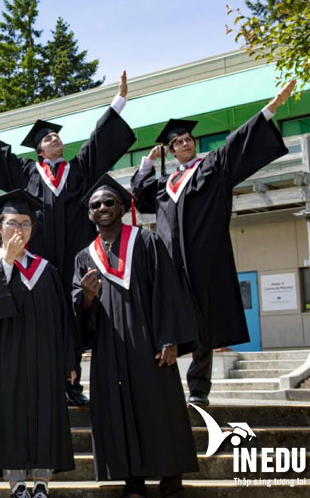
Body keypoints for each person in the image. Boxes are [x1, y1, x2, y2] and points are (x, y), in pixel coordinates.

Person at [0, 72, 134, 406]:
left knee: (70, 319)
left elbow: (97, 142)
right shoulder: (27, 173)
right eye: (49, 137)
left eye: (57, 136)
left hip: (71, 257)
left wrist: (118, 103)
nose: (55, 139)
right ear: (39, 148)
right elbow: (0, 153)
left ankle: (72, 384)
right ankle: (30, 381)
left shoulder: (79, 169)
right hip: (36, 261)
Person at [131, 81, 295, 406]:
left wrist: (272, 107)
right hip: (169, 263)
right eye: (178, 142)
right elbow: (141, 195)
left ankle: (198, 389)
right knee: (165, 320)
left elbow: (237, 144)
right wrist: (147, 162)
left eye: (188, 139)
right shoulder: (166, 184)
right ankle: (160, 385)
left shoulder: (212, 167)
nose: (185, 143)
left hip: (204, 260)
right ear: (171, 150)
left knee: (202, 324)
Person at [73, 174, 198, 498]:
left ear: (123, 207)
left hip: (149, 345)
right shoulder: (85, 257)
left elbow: (169, 291)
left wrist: (170, 338)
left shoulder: (146, 242)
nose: (102, 208)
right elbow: (79, 310)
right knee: (119, 413)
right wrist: (86, 297)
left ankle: (171, 480)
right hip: (109, 349)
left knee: (160, 410)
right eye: (95, 205)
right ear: (89, 214)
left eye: (108, 202)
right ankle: (133, 481)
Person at [0, 190, 77, 498]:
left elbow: (62, 318)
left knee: (46, 415)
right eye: (12, 222)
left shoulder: (46, 269)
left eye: (26, 223)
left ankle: (42, 481)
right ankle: (16, 482)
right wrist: (7, 261)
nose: (19, 229)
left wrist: (69, 360)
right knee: (10, 416)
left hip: (45, 359)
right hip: (6, 358)